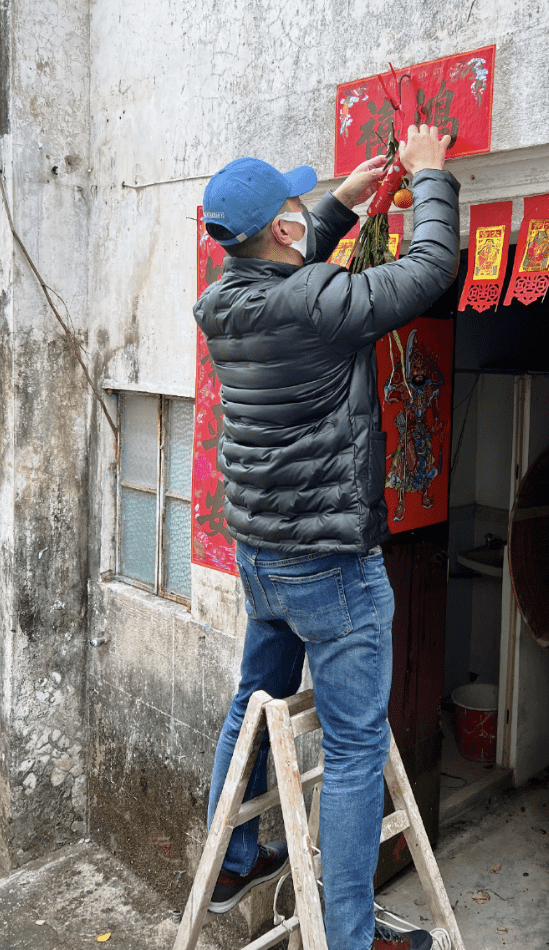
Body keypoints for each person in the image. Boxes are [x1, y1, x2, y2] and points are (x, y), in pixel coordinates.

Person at [193, 124, 459, 950]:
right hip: (332, 572)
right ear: (279, 230)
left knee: (253, 698)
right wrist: (431, 177)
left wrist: (340, 202)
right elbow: (428, 271)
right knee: (351, 750)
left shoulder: (224, 301)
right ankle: (348, 940)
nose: (303, 221)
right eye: (295, 211)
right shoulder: (315, 303)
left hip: (264, 559)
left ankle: (235, 854)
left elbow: (288, 253)